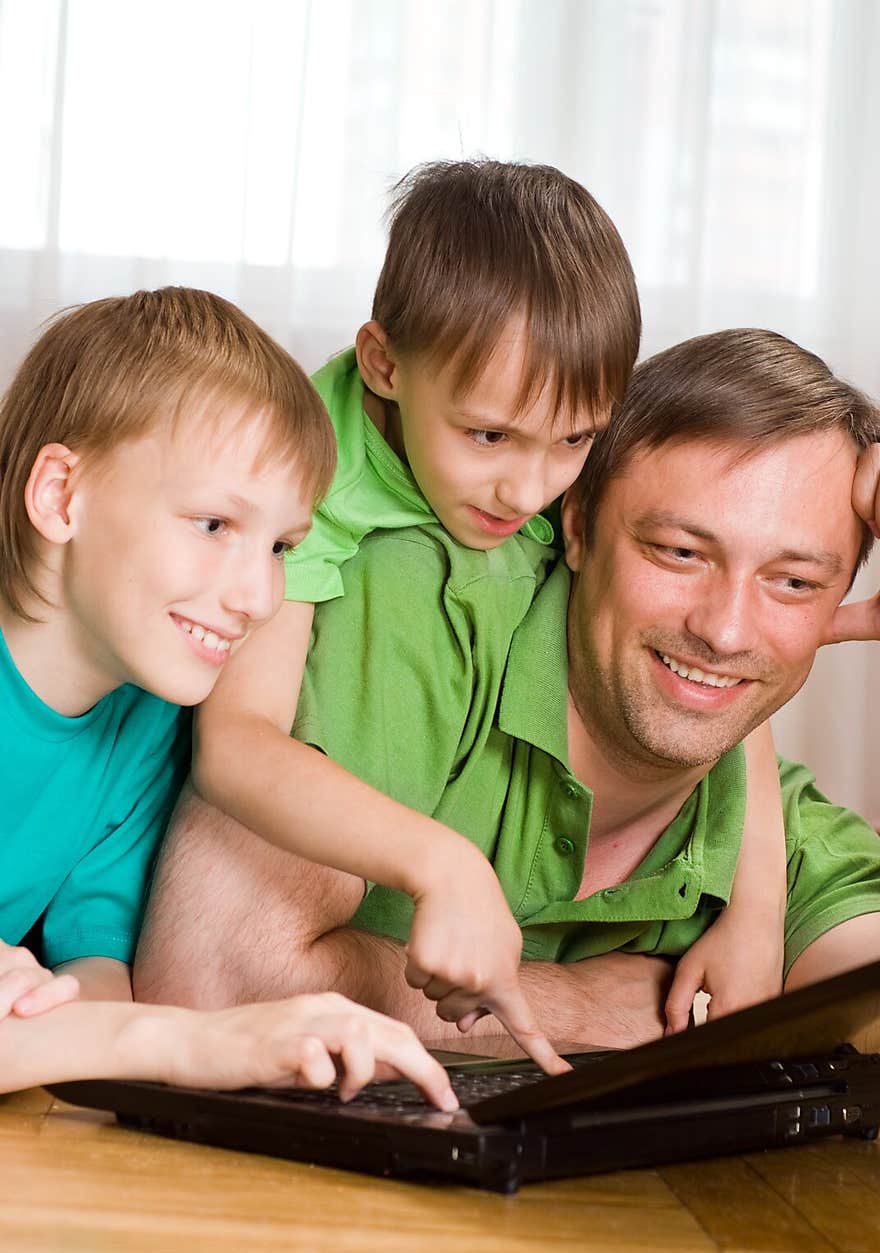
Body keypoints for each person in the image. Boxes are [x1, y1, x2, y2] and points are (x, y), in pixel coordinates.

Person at [187, 159, 789, 1059]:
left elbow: (722, 646)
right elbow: (235, 745)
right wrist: (442, 863)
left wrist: (758, 913)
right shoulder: (305, 474)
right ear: (384, 364)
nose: (530, 485)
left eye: (575, 440)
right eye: (487, 436)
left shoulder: (540, 444)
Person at [135, 326, 880, 1050]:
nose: (726, 630)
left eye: (793, 582)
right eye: (680, 552)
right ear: (576, 527)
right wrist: (591, 1009)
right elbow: (212, 979)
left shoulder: (782, 845)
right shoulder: (421, 611)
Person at [0, 285, 456, 1110]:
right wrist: (199, 1042)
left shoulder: (145, 723)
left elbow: (98, 975)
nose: (258, 594)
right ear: (61, 496)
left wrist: (56, 1021)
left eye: (281, 544)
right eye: (213, 524)